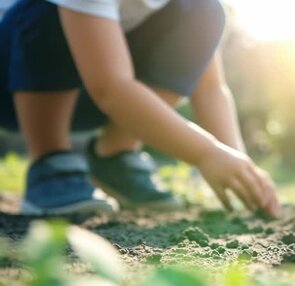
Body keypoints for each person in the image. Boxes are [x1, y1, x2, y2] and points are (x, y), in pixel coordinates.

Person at [0, 0, 280, 216]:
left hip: (93, 88)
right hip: (12, 86)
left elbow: (209, 88)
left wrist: (241, 168)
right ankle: (50, 161)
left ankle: (114, 155)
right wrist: (205, 153)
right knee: (43, 8)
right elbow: (111, 89)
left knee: (202, 12)